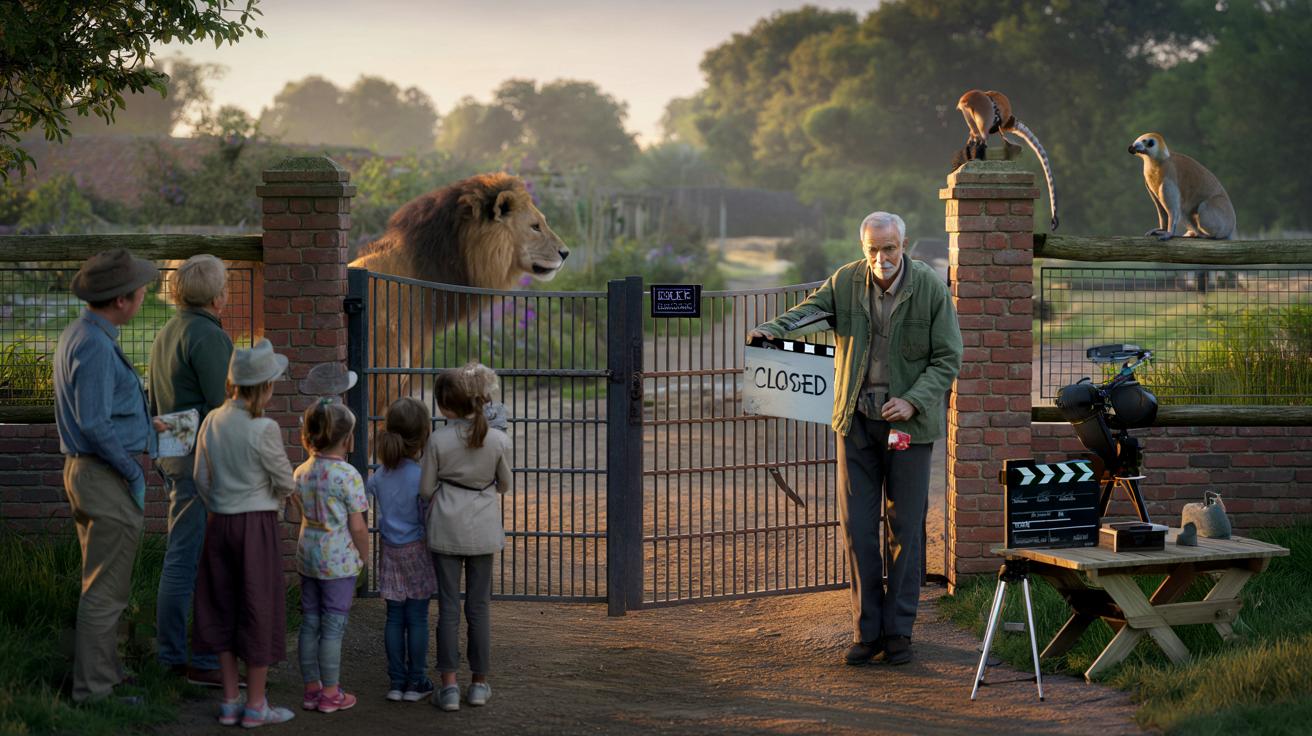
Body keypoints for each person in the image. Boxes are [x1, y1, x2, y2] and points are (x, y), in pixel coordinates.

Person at [748, 211, 962, 666]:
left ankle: (899, 632)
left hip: (907, 427)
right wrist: (774, 330)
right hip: (856, 423)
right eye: (873, 250)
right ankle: (866, 633)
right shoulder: (846, 281)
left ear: (903, 244)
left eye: (890, 249)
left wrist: (914, 401)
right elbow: (809, 309)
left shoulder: (929, 288)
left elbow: (948, 357)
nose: (882, 259)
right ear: (863, 249)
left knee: (906, 528)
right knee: (858, 528)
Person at [53, 248, 159, 703]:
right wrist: (131, 467)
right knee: (105, 591)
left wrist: (142, 424)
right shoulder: (94, 345)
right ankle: (94, 690)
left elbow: (101, 413)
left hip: (90, 473)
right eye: (140, 292)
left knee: (103, 581)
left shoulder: (85, 333)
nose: (143, 296)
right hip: (103, 477)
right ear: (121, 300)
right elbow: (94, 423)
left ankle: (105, 671)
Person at [192, 339, 297, 727]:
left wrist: (218, 504)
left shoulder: (212, 420)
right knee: (258, 607)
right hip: (256, 527)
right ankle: (256, 705)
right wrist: (281, 498)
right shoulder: (264, 427)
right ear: (265, 387)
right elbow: (284, 480)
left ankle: (230, 699)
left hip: (218, 523)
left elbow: (200, 477)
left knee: (221, 606)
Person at [148, 254, 234, 687]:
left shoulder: (167, 332)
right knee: (186, 559)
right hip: (200, 459)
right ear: (218, 296)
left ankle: (188, 656)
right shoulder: (208, 336)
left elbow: (156, 403)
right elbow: (224, 406)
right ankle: (177, 660)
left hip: (172, 449)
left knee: (189, 554)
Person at [420, 362, 512, 712]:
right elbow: (505, 484)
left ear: (446, 407)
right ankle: (479, 684)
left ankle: (448, 687)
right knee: (479, 607)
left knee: (447, 608)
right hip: (484, 529)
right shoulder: (498, 439)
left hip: (445, 528)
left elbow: (426, 489)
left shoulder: (438, 440)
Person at [293, 398, 368, 715]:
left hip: (307, 556)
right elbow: (358, 526)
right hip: (338, 563)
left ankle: (311, 690)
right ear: (348, 439)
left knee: (309, 623)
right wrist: (364, 559)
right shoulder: (348, 475)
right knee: (333, 628)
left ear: (307, 437)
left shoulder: (300, 471)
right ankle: (331, 694)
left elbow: (294, 512)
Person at [367, 397, 437, 703]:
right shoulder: (421, 476)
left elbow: (363, 493)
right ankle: (416, 680)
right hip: (418, 552)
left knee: (394, 617)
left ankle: (396, 682)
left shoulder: (380, 475)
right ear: (422, 436)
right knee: (418, 618)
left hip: (390, 552)